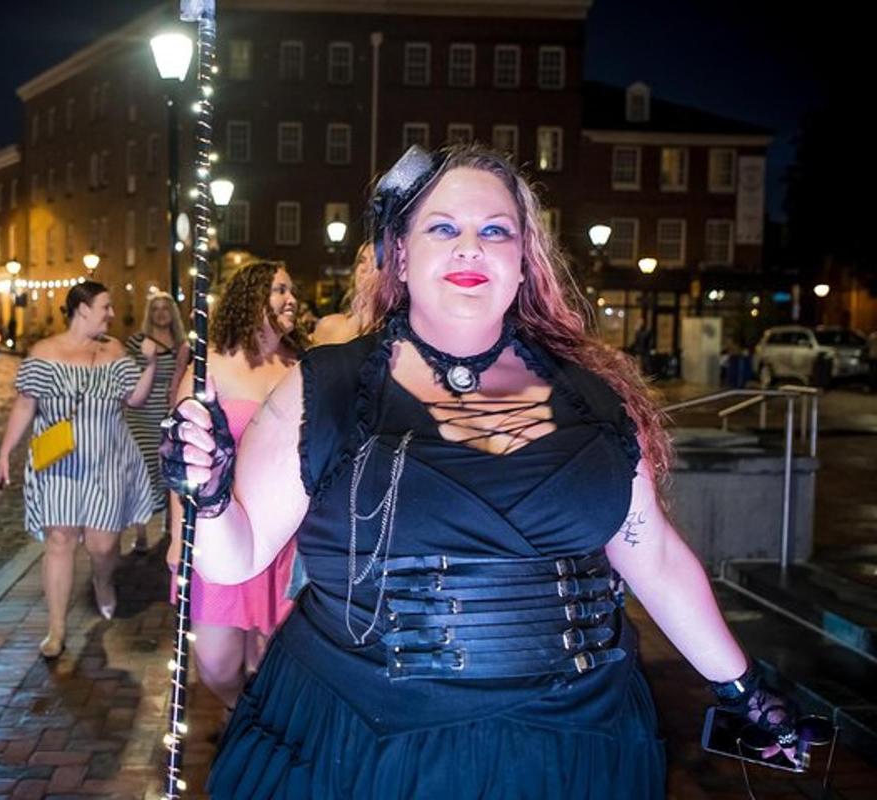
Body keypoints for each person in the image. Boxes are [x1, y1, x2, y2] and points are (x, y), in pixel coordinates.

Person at [161, 143, 798, 797]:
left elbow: (653, 554)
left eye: (495, 230)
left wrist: (744, 687)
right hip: (365, 750)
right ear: (402, 255)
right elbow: (236, 558)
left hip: (573, 751)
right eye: (443, 228)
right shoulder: (326, 386)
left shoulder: (592, 397)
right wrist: (207, 496)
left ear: (523, 261)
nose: (470, 247)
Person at [165, 259, 305, 715]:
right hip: (220, 531)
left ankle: (258, 737)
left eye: (292, 290)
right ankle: (235, 710)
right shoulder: (211, 369)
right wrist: (176, 533)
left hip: (285, 538)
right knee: (217, 663)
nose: (292, 299)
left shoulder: (300, 366)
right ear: (250, 298)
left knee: (273, 658)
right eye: (280, 290)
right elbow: (183, 454)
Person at [0, 282, 158, 658]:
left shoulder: (113, 350)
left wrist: (148, 364)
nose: (112, 314)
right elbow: (24, 406)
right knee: (59, 540)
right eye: (106, 306)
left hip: (107, 459)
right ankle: (56, 630)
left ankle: (103, 579)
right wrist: (6, 453)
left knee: (103, 545)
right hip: (58, 462)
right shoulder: (44, 353)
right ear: (82, 309)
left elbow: (135, 398)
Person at [124, 292, 190, 553]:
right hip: (142, 416)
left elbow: (183, 377)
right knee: (143, 473)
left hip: (169, 413)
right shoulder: (137, 342)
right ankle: (140, 533)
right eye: (155, 309)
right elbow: (129, 377)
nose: (161, 314)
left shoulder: (182, 345)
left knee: (167, 471)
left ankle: (167, 527)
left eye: (165, 309)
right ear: (149, 314)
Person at [312, 241, 378, 345]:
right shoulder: (328, 326)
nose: (363, 268)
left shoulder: (399, 333)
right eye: (361, 260)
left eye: (375, 263)